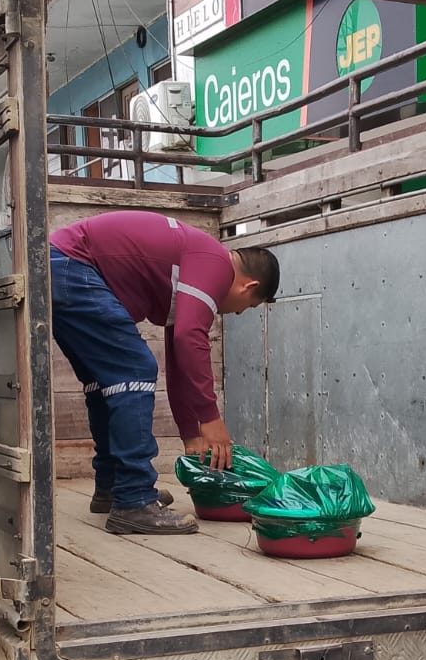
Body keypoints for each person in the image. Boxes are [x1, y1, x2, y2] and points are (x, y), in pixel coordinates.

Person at [49, 211, 280, 535]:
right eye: (249, 306)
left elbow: (179, 358)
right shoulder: (216, 264)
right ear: (248, 286)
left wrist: (190, 433)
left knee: (108, 382)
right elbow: (189, 338)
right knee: (134, 369)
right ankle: (133, 500)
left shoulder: (196, 267)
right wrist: (211, 419)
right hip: (73, 266)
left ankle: (113, 487)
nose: (239, 312)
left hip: (60, 266)